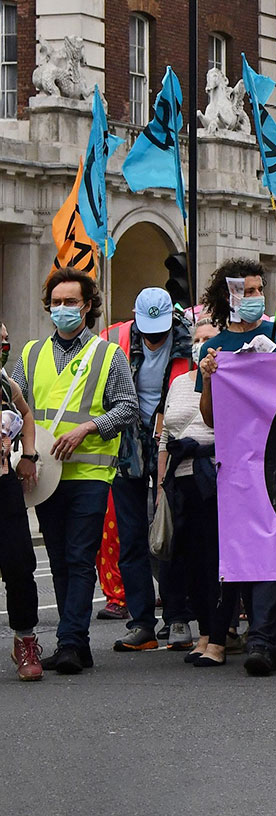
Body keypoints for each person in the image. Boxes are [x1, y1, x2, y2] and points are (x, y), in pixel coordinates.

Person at [19, 268, 139, 674]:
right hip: (45, 477)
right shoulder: (31, 354)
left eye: (71, 302)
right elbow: (16, 411)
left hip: (90, 473)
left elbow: (128, 407)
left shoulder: (109, 354)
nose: (63, 309)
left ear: (88, 306)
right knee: (58, 557)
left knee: (78, 556)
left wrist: (89, 427)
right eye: (57, 302)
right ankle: (79, 643)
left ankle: (70, 642)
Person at [195, 258, 276, 677]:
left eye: (260, 290)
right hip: (238, 465)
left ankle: (265, 637)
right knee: (253, 548)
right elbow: (210, 418)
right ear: (228, 296)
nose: (255, 297)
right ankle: (273, 639)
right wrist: (209, 377)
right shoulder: (214, 347)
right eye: (247, 291)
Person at [102, 286, 195, 653]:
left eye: (160, 332)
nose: (153, 339)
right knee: (131, 537)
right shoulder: (116, 338)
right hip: (128, 448)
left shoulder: (189, 342)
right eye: (147, 331)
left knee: (171, 534)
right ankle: (142, 622)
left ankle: (177, 617)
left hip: (172, 445)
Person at [164, 318, 234, 668]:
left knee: (214, 562)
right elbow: (165, 433)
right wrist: (161, 480)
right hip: (182, 478)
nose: (203, 345)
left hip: (215, 477)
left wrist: (211, 378)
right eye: (197, 339)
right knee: (191, 561)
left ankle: (220, 638)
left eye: (210, 338)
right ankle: (204, 634)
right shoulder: (178, 382)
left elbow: (218, 424)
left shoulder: (228, 377)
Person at [0, 319, 41, 680]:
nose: (4, 346)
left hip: (4, 487)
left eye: (6, 340)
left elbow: (26, 414)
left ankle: (25, 641)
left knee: (19, 564)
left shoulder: (4, 382)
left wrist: (28, 454)